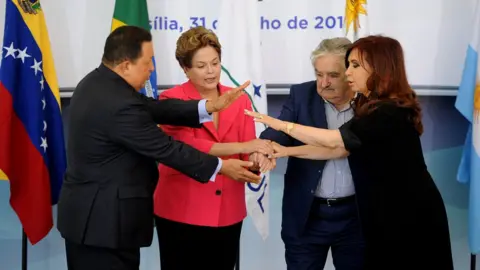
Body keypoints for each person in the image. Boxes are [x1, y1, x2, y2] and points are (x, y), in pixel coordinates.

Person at [57, 25, 261, 270]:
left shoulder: (101, 83)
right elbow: (168, 149)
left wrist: (206, 108)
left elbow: (153, 108)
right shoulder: (116, 103)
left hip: (99, 220)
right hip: (103, 225)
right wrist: (221, 166)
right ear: (125, 65)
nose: (152, 68)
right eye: (147, 63)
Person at [246, 35, 454, 269]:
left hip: (403, 217)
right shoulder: (370, 105)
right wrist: (282, 150)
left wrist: (279, 124)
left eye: (352, 67)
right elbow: (337, 150)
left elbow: (335, 141)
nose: (346, 74)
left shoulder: (383, 110)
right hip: (346, 217)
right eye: (319, 74)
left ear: (377, 68)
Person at [153, 26, 276, 270]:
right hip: (181, 211)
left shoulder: (238, 97)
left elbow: (247, 149)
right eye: (201, 66)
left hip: (227, 212)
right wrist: (245, 146)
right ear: (185, 68)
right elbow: (186, 147)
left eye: (215, 63)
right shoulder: (170, 100)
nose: (211, 71)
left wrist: (257, 157)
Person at [258, 37, 365, 270]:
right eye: (318, 74)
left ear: (349, 73)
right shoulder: (301, 94)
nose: (323, 83)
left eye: (333, 75)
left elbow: (340, 149)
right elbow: (279, 130)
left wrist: (285, 149)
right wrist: (263, 148)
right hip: (308, 216)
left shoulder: (369, 101)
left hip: (357, 217)